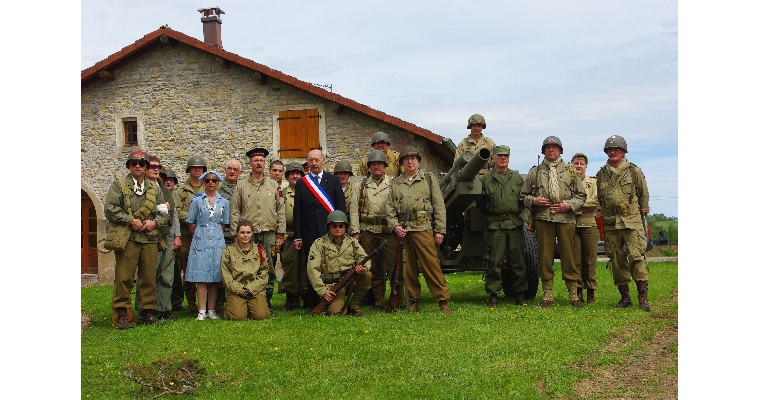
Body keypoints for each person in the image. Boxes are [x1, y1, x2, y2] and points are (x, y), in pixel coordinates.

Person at [105, 149, 169, 329]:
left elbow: (164, 213)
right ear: (129, 166)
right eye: (133, 163)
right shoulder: (118, 185)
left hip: (149, 238)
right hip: (128, 238)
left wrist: (154, 223)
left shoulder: (155, 189)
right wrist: (129, 220)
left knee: (148, 277)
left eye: (142, 163)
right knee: (124, 277)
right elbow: (110, 209)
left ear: (147, 167)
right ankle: (121, 313)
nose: (138, 166)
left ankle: (147, 312)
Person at [519, 136, 586, 308]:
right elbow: (523, 196)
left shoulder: (570, 171)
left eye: (554, 147)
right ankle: (547, 295)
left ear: (560, 150)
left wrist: (568, 205)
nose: (551, 150)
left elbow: (581, 196)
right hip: (544, 219)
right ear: (543, 151)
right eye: (548, 148)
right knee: (545, 257)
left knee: (569, 257)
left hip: (565, 219)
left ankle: (573, 295)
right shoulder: (535, 172)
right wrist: (534, 201)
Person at [386, 146, 452, 314]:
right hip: (404, 231)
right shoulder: (396, 183)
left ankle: (442, 301)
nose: (410, 162)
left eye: (413, 159)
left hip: (424, 228)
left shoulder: (428, 179)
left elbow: (439, 206)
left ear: (418, 161)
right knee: (409, 269)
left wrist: (440, 230)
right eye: (406, 159)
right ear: (402, 163)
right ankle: (413, 301)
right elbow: (390, 208)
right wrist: (395, 226)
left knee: (431, 265)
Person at [596, 135, 651, 311]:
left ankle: (642, 296)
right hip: (611, 221)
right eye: (610, 150)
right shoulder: (601, 174)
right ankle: (625, 297)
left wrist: (639, 213)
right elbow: (599, 197)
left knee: (636, 256)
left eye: (616, 149)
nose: (613, 152)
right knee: (616, 258)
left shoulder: (634, 171)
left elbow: (644, 195)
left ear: (623, 152)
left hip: (631, 221)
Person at [229, 147, 286, 309]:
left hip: (269, 233)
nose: (259, 163)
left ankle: (266, 301)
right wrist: (235, 234)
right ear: (250, 164)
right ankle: (248, 299)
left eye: (261, 160)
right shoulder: (241, 186)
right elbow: (235, 211)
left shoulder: (273, 185)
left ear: (264, 163)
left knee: (268, 267)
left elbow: (280, 210)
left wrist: (280, 234)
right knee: (248, 267)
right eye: (256, 161)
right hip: (248, 235)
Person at [475, 145, 528, 307]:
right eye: (500, 155)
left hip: (514, 224)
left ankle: (519, 293)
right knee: (494, 261)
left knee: (518, 260)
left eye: (506, 155)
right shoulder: (485, 179)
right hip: (495, 225)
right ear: (494, 158)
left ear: (509, 158)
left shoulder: (517, 178)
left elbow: (523, 199)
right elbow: (481, 203)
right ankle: (493, 294)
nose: (503, 158)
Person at [294, 148, 347, 310]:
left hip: (330, 231)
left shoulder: (334, 180)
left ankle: (332, 298)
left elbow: (340, 207)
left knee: (330, 265)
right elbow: (298, 211)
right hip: (309, 232)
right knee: (312, 266)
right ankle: (312, 301)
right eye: (311, 160)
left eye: (317, 160)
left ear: (324, 161)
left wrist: (343, 230)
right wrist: (298, 236)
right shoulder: (302, 182)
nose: (314, 163)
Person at [350, 150, 402, 310]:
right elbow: (354, 210)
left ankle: (399, 299)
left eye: (379, 164)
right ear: (369, 167)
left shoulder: (394, 184)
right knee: (373, 267)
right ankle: (378, 299)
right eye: (373, 164)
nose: (376, 167)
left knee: (394, 266)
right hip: (368, 231)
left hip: (388, 231)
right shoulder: (361, 185)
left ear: (385, 166)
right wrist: (355, 231)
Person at [135, 156, 182, 320]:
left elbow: (173, 214)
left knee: (167, 274)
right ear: (146, 168)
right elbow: (138, 210)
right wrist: (159, 209)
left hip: (168, 234)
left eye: (158, 167)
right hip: (150, 236)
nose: (156, 169)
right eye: (152, 166)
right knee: (149, 273)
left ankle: (164, 308)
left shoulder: (163, 188)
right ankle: (145, 308)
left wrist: (177, 236)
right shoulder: (140, 187)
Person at [307, 211, 372, 316]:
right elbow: (312, 270)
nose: (337, 229)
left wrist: (363, 268)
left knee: (367, 275)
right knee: (336, 312)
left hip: (350, 280)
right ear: (329, 227)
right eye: (334, 226)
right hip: (332, 285)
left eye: (341, 226)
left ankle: (353, 305)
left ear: (345, 227)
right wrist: (323, 291)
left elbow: (364, 258)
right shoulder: (319, 244)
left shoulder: (352, 242)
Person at [186, 170, 230, 320]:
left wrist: (214, 233)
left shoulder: (224, 201)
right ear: (203, 183)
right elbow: (191, 221)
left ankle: (211, 310)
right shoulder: (197, 200)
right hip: (201, 238)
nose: (211, 183)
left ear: (218, 183)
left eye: (214, 180)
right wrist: (200, 235)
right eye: (207, 180)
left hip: (217, 240)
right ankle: (201, 310)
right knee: (201, 276)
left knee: (214, 277)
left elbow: (224, 223)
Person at [220, 220, 273, 320]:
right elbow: (225, 275)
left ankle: (250, 307)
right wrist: (239, 289)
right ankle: (239, 308)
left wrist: (250, 289)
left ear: (252, 233)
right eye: (242, 232)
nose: (245, 235)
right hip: (236, 290)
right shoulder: (228, 251)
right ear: (237, 233)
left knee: (261, 316)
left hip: (255, 290)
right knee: (238, 316)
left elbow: (264, 272)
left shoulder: (259, 250)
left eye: (248, 232)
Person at [175, 155, 207, 315]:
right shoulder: (181, 190)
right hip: (187, 233)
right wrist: (191, 220)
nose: (197, 170)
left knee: (207, 267)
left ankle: (209, 303)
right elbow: (176, 209)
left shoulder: (209, 186)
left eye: (200, 168)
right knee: (187, 266)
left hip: (205, 234)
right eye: (194, 168)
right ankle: (191, 303)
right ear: (189, 170)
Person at [571, 153, 600, 304]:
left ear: (586, 166)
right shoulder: (568, 182)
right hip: (572, 224)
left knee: (590, 260)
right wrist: (583, 206)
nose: (579, 166)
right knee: (575, 260)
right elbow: (565, 200)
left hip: (590, 224)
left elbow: (596, 200)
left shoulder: (593, 182)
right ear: (572, 165)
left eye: (582, 163)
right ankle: (578, 291)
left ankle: (591, 292)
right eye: (576, 163)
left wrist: (575, 206)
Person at [279, 162, 308, 310]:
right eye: (292, 173)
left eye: (298, 173)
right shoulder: (282, 193)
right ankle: (291, 297)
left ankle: (305, 296)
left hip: (305, 234)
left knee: (305, 266)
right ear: (287, 176)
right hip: (288, 235)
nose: (295, 176)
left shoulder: (308, 192)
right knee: (290, 265)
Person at [219, 159, 242, 244]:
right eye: (230, 168)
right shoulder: (217, 188)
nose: (232, 172)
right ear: (225, 170)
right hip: (221, 233)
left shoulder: (242, 189)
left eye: (235, 169)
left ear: (240, 173)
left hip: (238, 233)